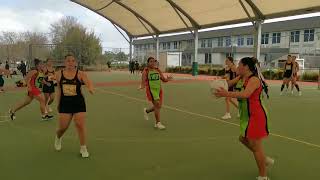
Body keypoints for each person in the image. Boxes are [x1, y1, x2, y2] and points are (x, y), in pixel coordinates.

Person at [214, 57, 273, 180]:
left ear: (246, 67)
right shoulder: (241, 77)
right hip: (246, 116)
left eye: (239, 64)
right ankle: (264, 159)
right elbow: (228, 84)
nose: (237, 66)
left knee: (256, 146)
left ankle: (263, 176)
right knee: (243, 139)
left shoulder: (254, 80)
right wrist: (217, 83)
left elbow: (245, 94)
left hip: (256, 115)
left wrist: (227, 94)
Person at [54, 54, 94, 158]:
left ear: (75, 62)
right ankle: (58, 137)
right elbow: (58, 90)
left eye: (73, 61)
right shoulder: (58, 74)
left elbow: (88, 82)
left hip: (78, 102)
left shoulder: (80, 74)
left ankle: (83, 147)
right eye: (68, 61)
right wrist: (58, 103)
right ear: (64, 62)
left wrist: (90, 88)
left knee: (80, 124)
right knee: (63, 128)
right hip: (65, 103)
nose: (71, 63)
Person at [139, 57, 173, 130]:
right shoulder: (146, 71)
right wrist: (142, 86)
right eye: (151, 61)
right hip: (151, 91)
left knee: (158, 106)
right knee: (157, 105)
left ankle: (147, 111)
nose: (153, 63)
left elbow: (164, 80)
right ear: (148, 63)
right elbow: (143, 81)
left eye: (154, 61)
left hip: (159, 90)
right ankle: (158, 123)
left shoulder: (158, 70)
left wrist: (168, 79)